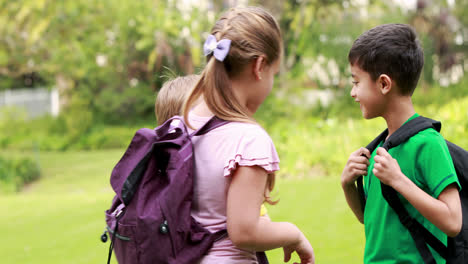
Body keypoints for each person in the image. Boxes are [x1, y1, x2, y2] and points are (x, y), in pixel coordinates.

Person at [181, 6, 315, 264]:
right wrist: (294, 235)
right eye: (274, 74)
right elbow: (244, 231)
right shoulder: (248, 139)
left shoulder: (182, 124)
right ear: (260, 66)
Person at [341, 23, 462, 263]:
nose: (353, 93)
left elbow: (453, 221)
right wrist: (347, 184)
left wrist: (398, 180)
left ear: (384, 84)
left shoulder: (428, 144)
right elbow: (372, 219)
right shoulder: (379, 149)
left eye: (356, 82)